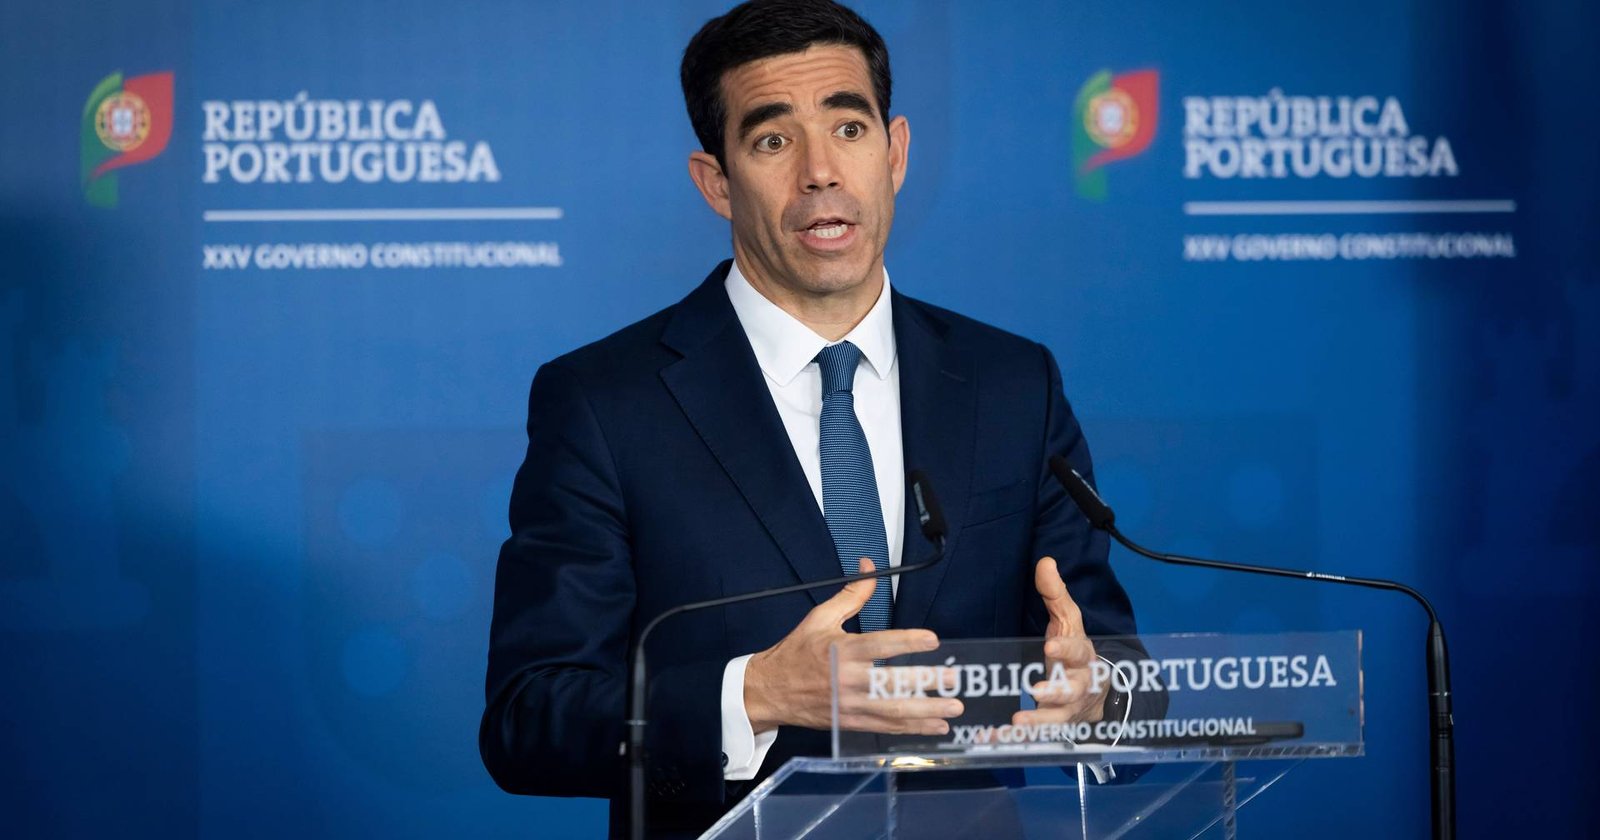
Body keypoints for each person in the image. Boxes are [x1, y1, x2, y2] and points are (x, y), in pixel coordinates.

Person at [480, 1, 1155, 836]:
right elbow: (529, 718)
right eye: (773, 140)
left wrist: (1097, 698)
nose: (820, 172)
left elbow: (1119, 670)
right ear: (716, 182)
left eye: (848, 129)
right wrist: (755, 694)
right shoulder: (605, 404)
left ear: (895, 152)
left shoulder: (1014, 383)